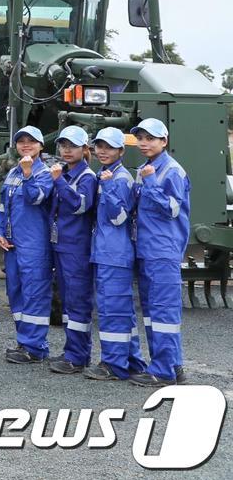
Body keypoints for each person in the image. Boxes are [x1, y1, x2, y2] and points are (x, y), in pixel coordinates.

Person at [129, 117, 190, 387]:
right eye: (140, 138)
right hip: (147, 249)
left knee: (164, 313)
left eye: (150, 138)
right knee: (153, 314)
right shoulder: (145, 167)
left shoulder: (171, 171)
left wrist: (151, 183)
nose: (144, 143)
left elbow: (172, 210)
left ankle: (163, 371)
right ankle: (171, 365)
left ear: (164, 141)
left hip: (163, 251)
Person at [86, 126, 144, 380]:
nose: (102, 151)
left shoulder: (118, 179)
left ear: (121, 150)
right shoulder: (107, 174)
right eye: (99, 146)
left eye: (109, 147)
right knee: (119, 309)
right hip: (107, 252)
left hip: (115, 254)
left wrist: (107, 188)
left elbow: (119, 217)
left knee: (113, 310)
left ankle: (113, 364)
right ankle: (132, 361)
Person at [0, 126, 54, 364]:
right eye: (21, 141)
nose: (26, 145)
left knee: (34, 295)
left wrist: (28, 174)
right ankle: (24, 340)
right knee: (16, 293)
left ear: (41, 146)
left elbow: (36, 198)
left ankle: (35, 347)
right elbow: (3, 206)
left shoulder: (44, 173)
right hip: (12, 245)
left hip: (34, 246)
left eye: (31, 141)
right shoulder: (13, 173)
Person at [48, 125, 97, 374]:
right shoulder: (64, 173)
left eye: (73, 146)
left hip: (76, 248)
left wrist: (58, 182)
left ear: (84, 149)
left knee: (77, 302)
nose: (67, 150)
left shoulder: (86, 177)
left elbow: (80, 205)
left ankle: (78, 356)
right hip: (62, 246)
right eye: (63, 145)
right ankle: (72, 351)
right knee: (67, 303)